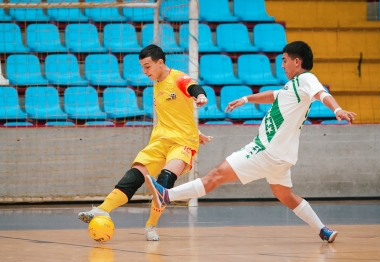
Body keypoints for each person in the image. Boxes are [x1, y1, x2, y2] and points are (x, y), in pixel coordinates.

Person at [145, 41, 357, 243]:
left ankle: (167, 195)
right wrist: (247, 99)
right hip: (281, 156)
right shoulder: (293, 86)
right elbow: (274, 95)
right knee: (286, 195)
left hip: (265, 150)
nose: (282, 65)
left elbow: (322, 94)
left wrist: (337, 110)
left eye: (284, 60)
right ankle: (323, 230)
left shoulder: (306, 80)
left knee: (216, 175)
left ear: (297, 61)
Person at [78, 44, 213, 241]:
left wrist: (200, 96)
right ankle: (102, 210)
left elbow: (192, 87)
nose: (144, 71)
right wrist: (198, 130)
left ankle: (150, 226)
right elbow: (175, 114)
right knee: (133, 177)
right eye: (142, 67)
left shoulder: (177, 77)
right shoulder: (157, 84)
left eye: (147, 66)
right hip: (160, 140)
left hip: (183, 142)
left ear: (160, 63)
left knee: (165, 180)